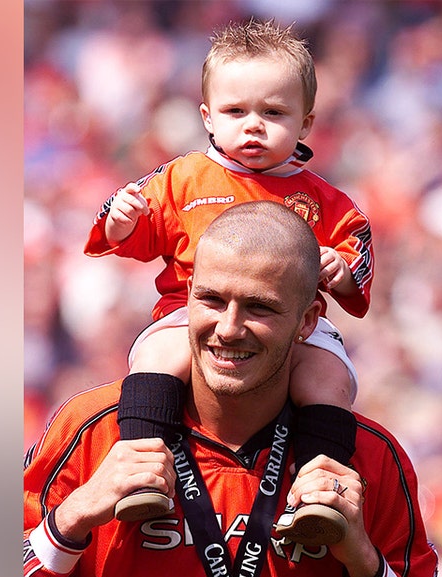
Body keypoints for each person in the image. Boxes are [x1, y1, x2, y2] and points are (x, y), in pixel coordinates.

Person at [25, 201, 442, 577]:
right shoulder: (95, 430)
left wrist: (361, 559)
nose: (228, 329)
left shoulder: (366, 458)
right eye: (211, 300)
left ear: (309, 320)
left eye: (259, 307)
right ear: (186, 295)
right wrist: (72, 517)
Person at [85, 18, 373, 546]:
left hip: (294, 330)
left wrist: (341, 270)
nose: (254, 126)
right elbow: (128, 235)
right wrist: (120, 218)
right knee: (156, 359)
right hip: (190, 315)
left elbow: (358, 264)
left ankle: (317, 494)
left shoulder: (329, 201)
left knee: (330, 382)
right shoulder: (182, 177)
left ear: (306, 122)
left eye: (274, 113)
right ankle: (143, 472)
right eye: (236, 112)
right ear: (207, 117)